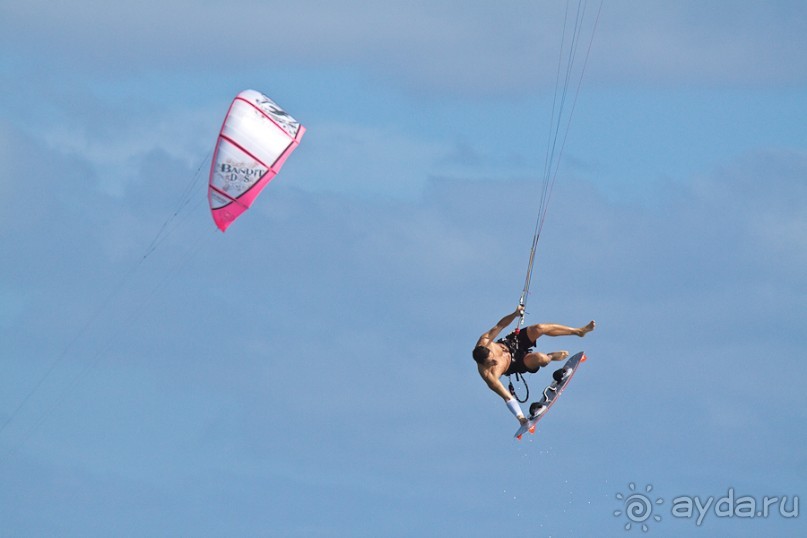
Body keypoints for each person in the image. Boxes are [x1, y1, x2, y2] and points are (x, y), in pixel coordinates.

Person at [472, 305, 595, 424]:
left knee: (539, 328)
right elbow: (507, 398)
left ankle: (579, 331)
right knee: (541, 358)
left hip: (512, 343)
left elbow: (500, 325)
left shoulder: (485, 341)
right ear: (483, 364)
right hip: (517, 363)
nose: (494, 360)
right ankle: (551, 356)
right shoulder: (489, 376)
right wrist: (520, 417)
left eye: (492, 356)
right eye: (491, 362)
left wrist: (515, 314)